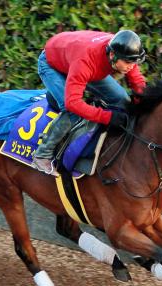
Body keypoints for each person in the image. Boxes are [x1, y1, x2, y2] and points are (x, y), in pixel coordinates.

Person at [33, 29, 147, 176]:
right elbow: (73, 103)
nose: (131, 66)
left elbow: (137, 83)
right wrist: (108, 117)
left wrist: (143, 102)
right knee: (71, 111)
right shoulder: (86, 61)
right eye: (127, 62)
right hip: (52, 64)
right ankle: (42, 155)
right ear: (112, 55)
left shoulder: (124, 50)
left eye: (134, 62)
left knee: (122, 100)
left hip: (75, 59)